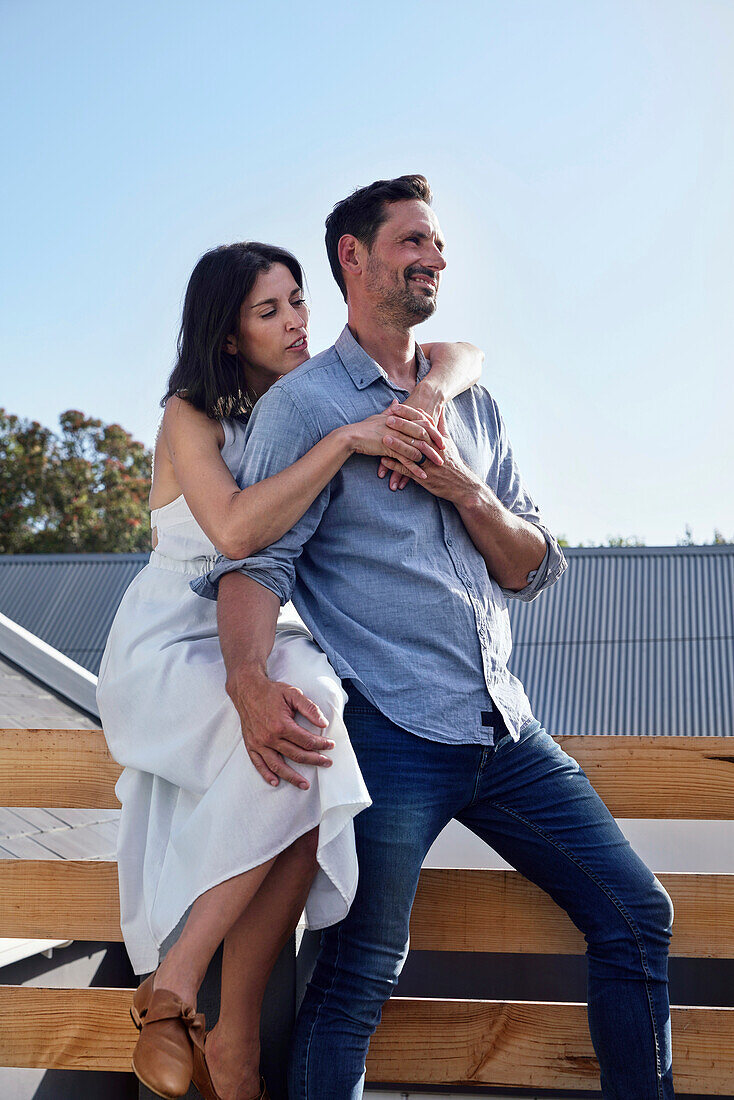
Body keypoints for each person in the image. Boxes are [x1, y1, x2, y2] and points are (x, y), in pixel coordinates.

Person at [195, 175, 676, 1100]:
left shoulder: (475, 407)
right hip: (390, 735)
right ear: (355, 257)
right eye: (413, 240)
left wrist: (465, 488)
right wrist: (249, 681)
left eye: (439, 245)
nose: (435, 258)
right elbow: (255, 562)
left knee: (636, 914)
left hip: (507, 730)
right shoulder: (307, 407)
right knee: (357, 979)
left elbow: (531, 566)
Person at [96, 239, 483, 1100]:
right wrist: (346, 438)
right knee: (306, 751)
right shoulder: (190, 415)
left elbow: (463, 353)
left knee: (313, 732)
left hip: (270, 636)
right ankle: (179, 997)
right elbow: (235, 534)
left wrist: (421, 396)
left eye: (299, 301)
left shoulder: (306, 400)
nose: (298, 321)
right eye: (269, 311)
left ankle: (218, 1031)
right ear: (228, 336)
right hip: (172, 646)